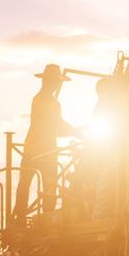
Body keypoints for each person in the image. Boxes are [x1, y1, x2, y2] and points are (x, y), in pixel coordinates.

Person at [11, 64, 75, 222]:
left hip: (48, 151)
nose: (56, 84)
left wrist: (74, 131)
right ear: (46, 81)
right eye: (54, 81)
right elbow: (54, 125)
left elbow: (57, 126)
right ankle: (20, 218)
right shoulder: (40, 100)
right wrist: (75, 131)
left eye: (58, 81)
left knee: (49, 188)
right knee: (25, 185)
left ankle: (47, 218)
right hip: (34, 150)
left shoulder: (54, 102)